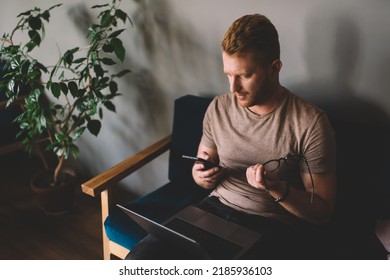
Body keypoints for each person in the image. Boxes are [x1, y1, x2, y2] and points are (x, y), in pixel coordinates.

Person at [126, 13, 337, 260]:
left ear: (274, 69)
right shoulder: (219, 107)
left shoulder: (310, 123)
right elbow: (200, 168)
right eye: (228, 74)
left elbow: (322, 212)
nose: (232, 88)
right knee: (138, 261)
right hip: (212, 209)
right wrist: (202, 175)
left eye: (244, 75)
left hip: (270, 225)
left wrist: (277, 188)